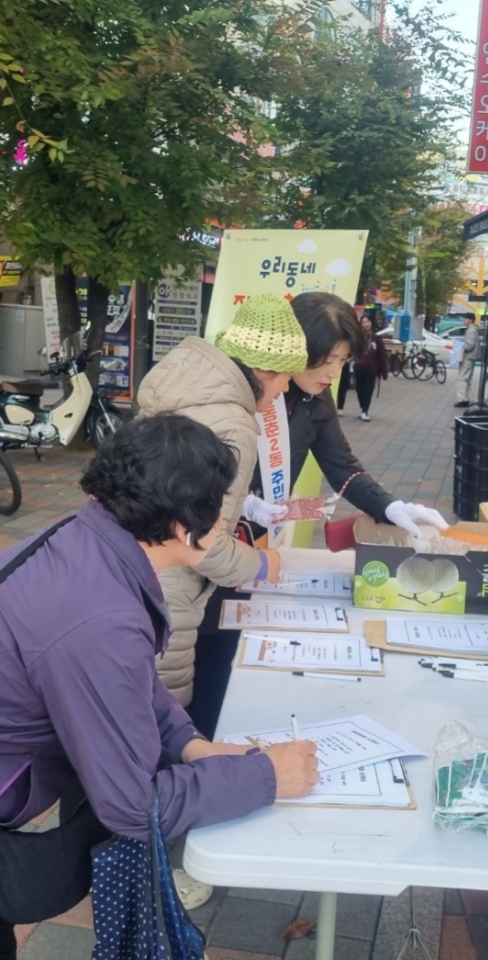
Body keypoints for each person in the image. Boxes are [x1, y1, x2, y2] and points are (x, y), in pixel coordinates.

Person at [0, 414, 319, 960]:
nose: (225, 520)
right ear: (185, 524)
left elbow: (129, 683)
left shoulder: (85, 541)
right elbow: (130, 806)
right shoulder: (98, 614)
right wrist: (264, 776)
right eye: (222, 505)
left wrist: (191, 744)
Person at [190, 291, 447, 741]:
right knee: (197, 655)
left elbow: (343, 468)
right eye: (325, 359)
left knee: (233, 655)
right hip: (200, 546)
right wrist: (243, 501)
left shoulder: (315, 400)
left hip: (255, 551)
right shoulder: (231, 393)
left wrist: (390, 506)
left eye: (342, 361)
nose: (332, 373)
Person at [136, 294, 309, 707]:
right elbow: (199, 542)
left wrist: (245, 504)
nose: (286, 387)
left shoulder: (186, 394)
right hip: (170, 593)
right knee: (162, 716)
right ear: (262, 370)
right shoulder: (233, 426)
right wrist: (262, 564)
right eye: (285, 376)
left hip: (132, 573)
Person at [353, 311, 388, 421]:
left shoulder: (377, 338)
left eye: (367, 322)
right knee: (359, 390)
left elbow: (382, 355)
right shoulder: (358, 338)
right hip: (359, 368)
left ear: (371, 323)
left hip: (372, 369)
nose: (366, 324)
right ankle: (363, 408)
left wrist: (384, 371)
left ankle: (365, 411)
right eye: (363, 322)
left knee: (368, 390)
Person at [454, 314, 480, 408]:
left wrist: (461, 346)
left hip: (467, 357)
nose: (463, 320)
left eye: (465, 318)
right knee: (467, 379)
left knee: (462, 378)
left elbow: (469, 345)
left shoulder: (470, 331)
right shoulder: (474, 330)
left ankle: (462, 399)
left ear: (470, 320)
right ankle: (466, 398)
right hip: (471, 357)